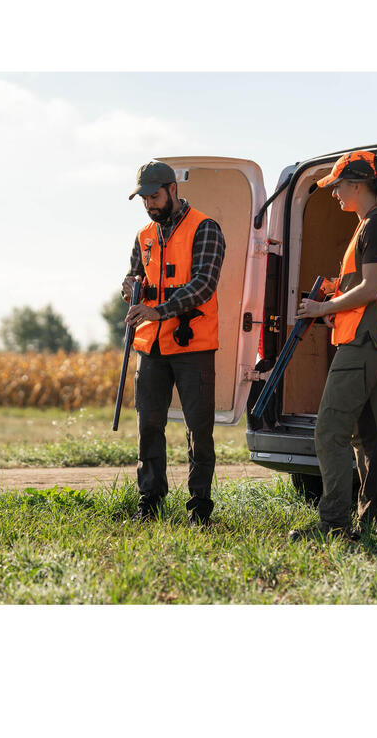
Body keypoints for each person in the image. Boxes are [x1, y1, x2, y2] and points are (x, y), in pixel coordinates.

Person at [289, 150, 377, 542]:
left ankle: (333, 524)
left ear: (357, 185)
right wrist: (334, 304)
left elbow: (371, 290)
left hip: (365, 344)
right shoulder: (373, 224)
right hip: (374, 340)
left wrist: (323, 306)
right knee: (368, 437)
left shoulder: (375, 226)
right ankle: (375, 522)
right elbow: (367, 287)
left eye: (338, 187)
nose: (334, 194)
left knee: (329, 433)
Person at [122, 160, 226, 526]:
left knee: (199, 430)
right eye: (144, 198)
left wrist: (160, 310)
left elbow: (203, 285)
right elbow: (136, 276)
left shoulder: (206, 229)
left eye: (154, 195)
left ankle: (200, 508)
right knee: (149, 425)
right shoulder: (143, 236)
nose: (150, 204)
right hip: (150, 346)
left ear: (172, 190)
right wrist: (130, 289)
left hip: (193, 345)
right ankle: (149, 502)